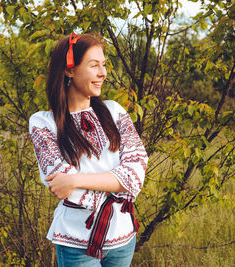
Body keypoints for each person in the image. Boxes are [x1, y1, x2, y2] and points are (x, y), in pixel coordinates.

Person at [29, 32, 148, 266]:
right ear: (69, 70)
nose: (103, 73)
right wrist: (115, 182)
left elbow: (136, 172)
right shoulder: (43, 124)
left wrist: (75, 180)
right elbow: (61, 186)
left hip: (123, 238)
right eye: (94, 65)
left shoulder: (115, 112)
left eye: (103, 65)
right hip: (77, 241)